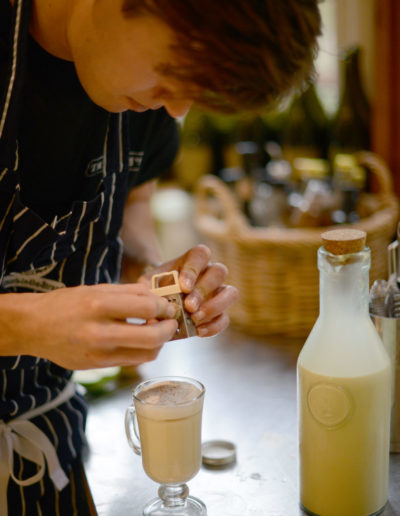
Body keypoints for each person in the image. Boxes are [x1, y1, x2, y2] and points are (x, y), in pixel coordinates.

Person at [0, 0, 321, 513]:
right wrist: (24, 325)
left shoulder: (142, 105)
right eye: (176, 73)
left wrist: (150, 281)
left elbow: (132, 213)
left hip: (45, 449)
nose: (177, 109)